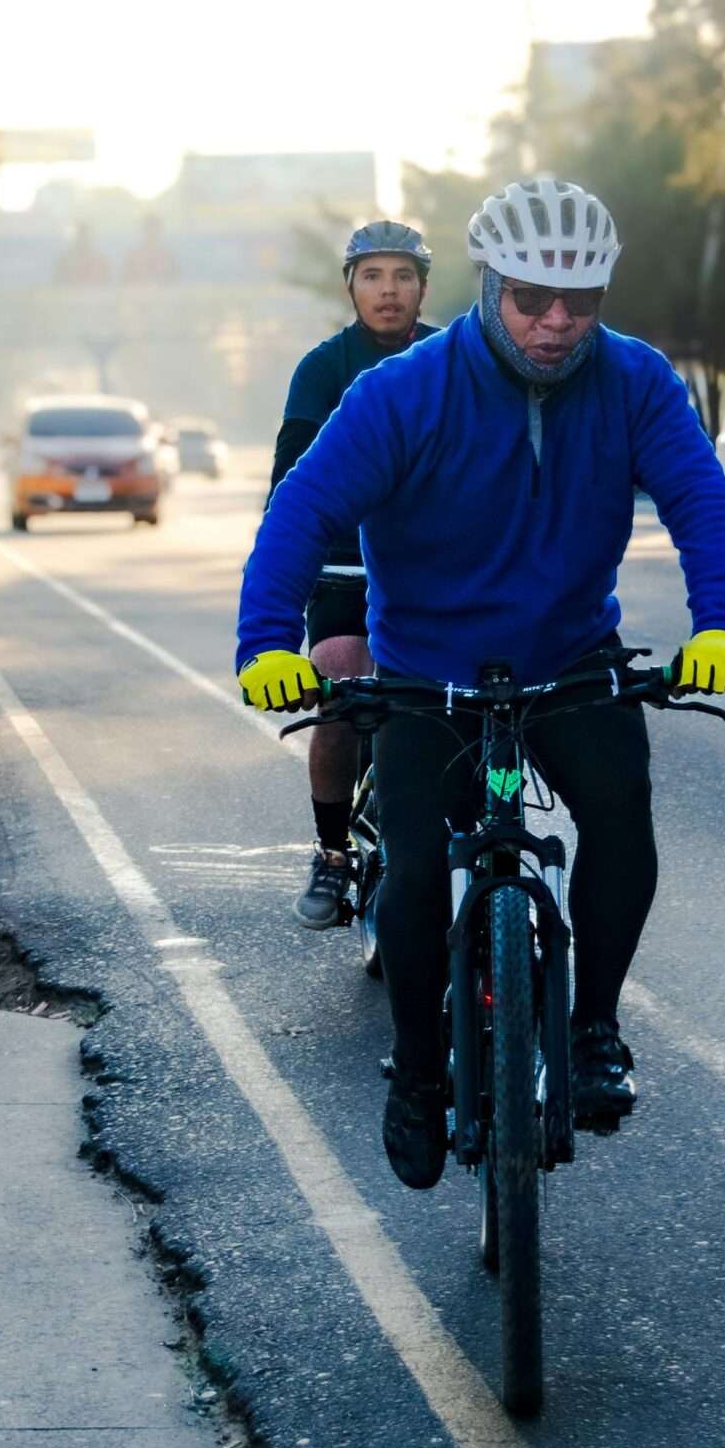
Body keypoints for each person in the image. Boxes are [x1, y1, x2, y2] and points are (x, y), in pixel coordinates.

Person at [237, 176, 725, 1191]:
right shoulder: (399, 392)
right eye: (532, 299)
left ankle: (595, 1025)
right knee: (420, 873)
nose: (558, 323)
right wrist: (267, 644)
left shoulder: (638, 381)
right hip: (426, 672)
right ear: (486, 285)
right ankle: (420, 1077)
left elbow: (700, 498)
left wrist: (724, 624)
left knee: (622, 809)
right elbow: (300, 515)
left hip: (570, 659)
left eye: (582, 303)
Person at [269, 220, 437, 927]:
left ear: (422, 287)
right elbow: (291, 487)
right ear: (350, 287)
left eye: (402, 276)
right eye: (372, 276)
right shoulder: (323, 366)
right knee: (338, 680)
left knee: (468, 696)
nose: (388, 290)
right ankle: (332, 853)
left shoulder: (453, 356)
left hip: (437, 568)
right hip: (343, 567)